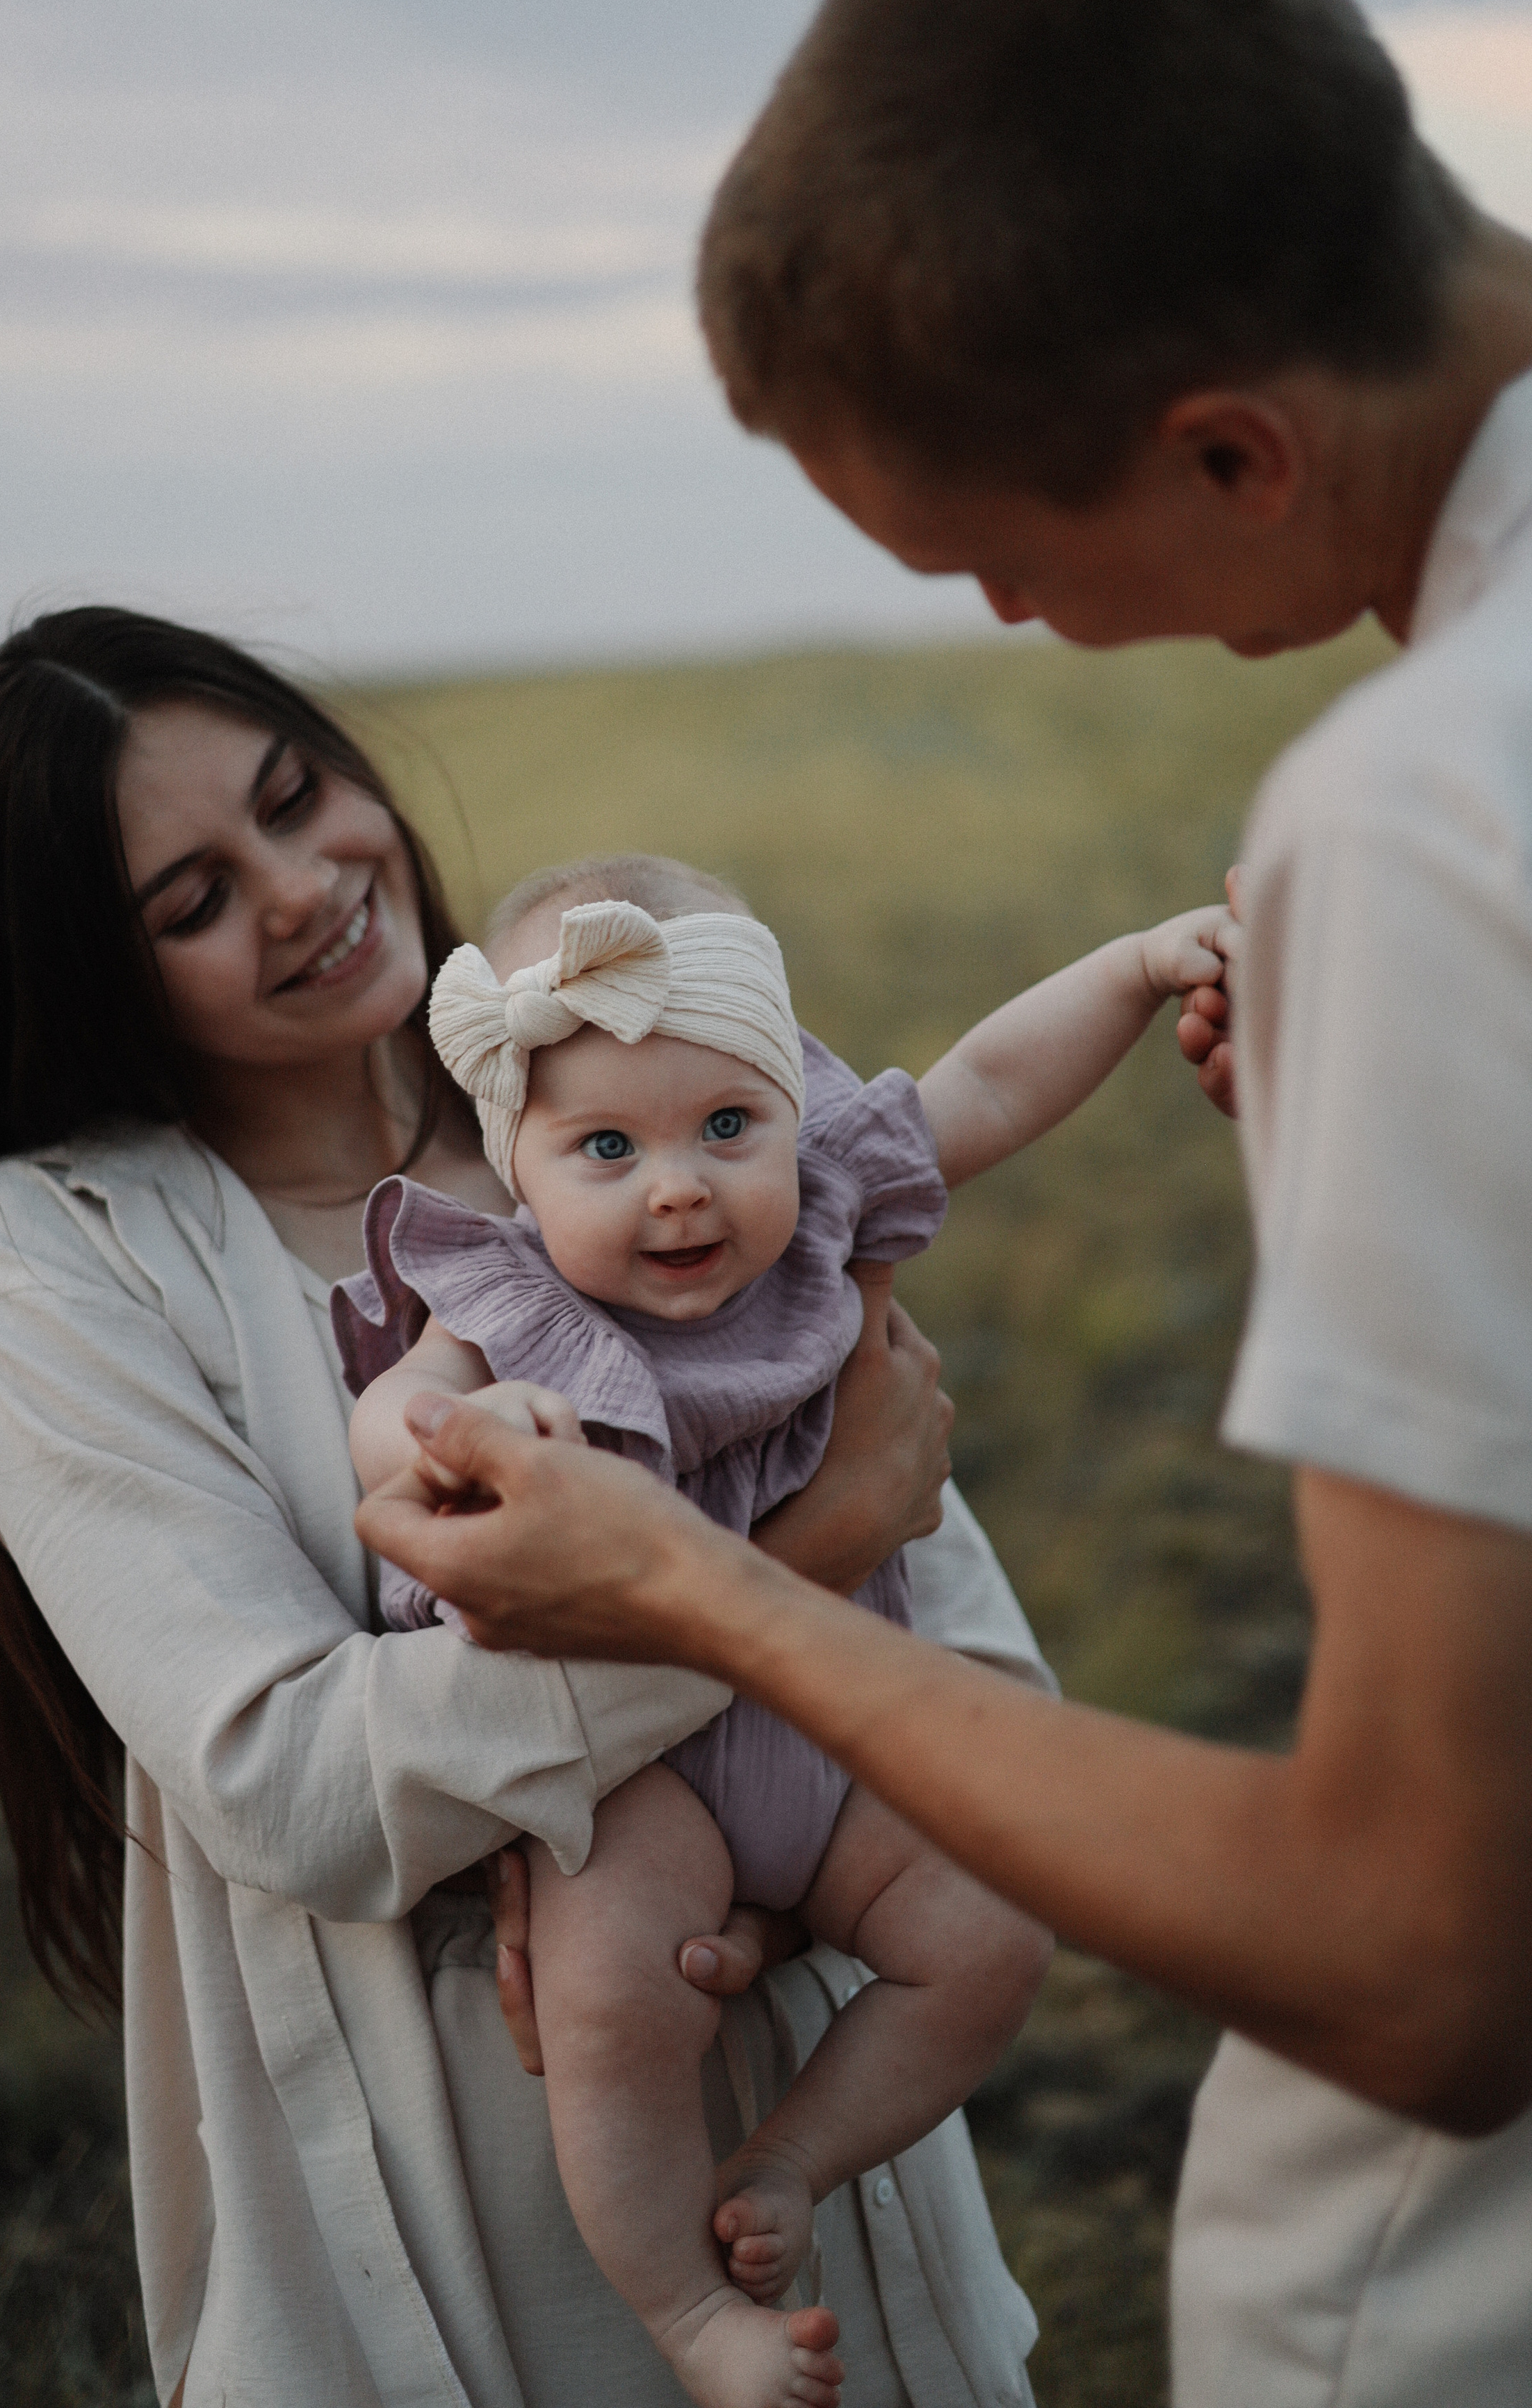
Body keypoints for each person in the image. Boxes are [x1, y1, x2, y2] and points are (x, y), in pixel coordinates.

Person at [353, 0, 1532, 2408]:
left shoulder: (1437, 812)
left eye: (1000, 557)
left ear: (1229, 447)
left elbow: (1430, 1964)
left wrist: (709, 1599)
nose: (1009, 625)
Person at [0, 605, 1061, 2408]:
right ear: (88, 972)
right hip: (457, 2180)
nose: (302, 889)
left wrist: (797, 1885)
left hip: (829, 2099)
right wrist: (798, 1568)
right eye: (193, 900)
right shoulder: (54, 1254)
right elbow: (286, 1777)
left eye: (295, 797)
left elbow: (967, 1657)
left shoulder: (615, 1117)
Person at [341, 851, 1232, 2408]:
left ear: (791, 1109)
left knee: (989, 1924)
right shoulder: (514, 1299)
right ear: (520, 1166)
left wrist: (1137, 964)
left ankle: (791, 2159)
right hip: (645, 1779)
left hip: (830, 1722)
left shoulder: (823, 1216)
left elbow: (989, 1085)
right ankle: (693, 2316)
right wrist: (460, 1435)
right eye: (606, 1147)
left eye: (726, 1126)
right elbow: (393, 1406)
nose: (678, 1185)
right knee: (607, 2007)